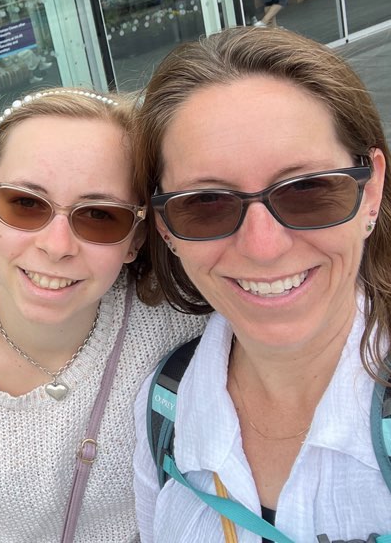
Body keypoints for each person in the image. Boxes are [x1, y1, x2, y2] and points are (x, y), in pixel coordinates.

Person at [0, 88, 204, 541]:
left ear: (136, 237)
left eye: (99, 215)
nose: (56, 246)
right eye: (26, 204)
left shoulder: (181, 322)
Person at [132, 27, 391, 541]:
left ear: (370, 191)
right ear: (165, 227)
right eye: (206, 204)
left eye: (307, 190)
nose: (263, 247)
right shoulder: (161, 408)